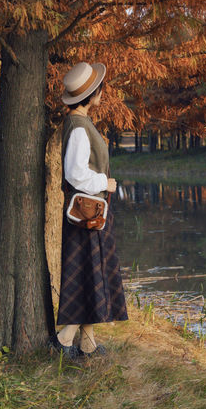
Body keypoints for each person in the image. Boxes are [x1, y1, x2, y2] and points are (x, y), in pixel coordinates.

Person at [51, 61, 128, 358]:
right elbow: (74, 172)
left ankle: (88, 342)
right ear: (92, 94)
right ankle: (65, 338)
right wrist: (104, 183)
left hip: (90, 214)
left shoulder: (79, 122)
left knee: (90, 275)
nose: (103, 94)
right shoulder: (80, 128)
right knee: (89, 275)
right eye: (100, 89)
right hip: (87, 214)